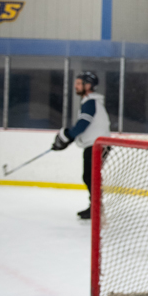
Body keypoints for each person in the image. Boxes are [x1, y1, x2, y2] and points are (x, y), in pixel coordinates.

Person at [51, 71, 110, 219]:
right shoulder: (90, 101)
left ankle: (96, 208)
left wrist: (68, 136)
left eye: (79, 83)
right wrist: (69, 137)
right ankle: (95, 206)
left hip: (97, 146)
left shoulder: (90, 102)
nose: (75, 86)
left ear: (88, 85)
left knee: (90, 177)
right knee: (90, 176)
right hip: (96, 144)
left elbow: (83, 123)